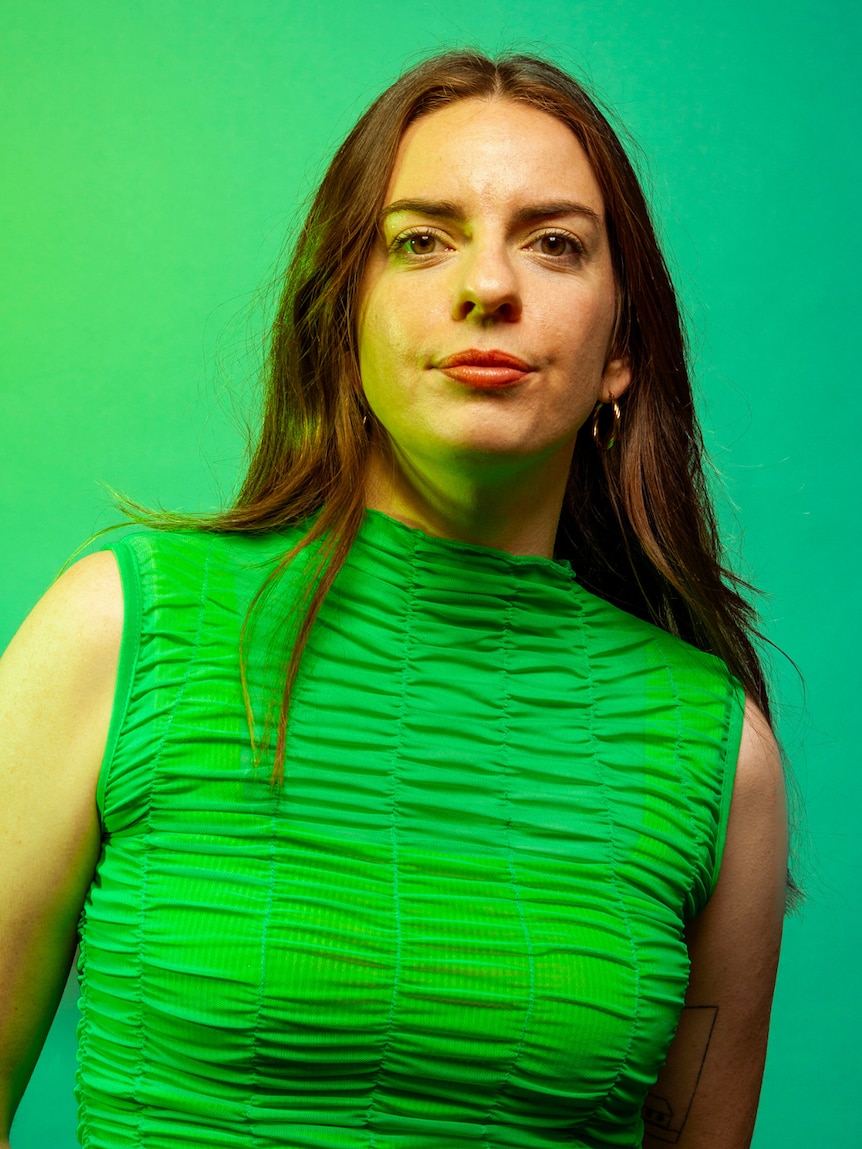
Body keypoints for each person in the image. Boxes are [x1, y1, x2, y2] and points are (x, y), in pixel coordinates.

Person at [0, 48, 789, 1149]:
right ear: (344, 318)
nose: (488, 287)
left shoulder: (718, 757)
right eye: (420, 240)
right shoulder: (118, 630)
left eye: (554, 244)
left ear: (623, 350)